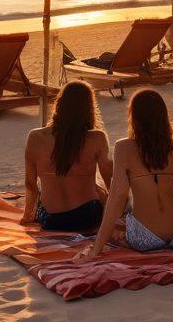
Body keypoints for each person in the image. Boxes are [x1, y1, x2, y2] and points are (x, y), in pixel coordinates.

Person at [75, 89, 173, 262]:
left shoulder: (124, 148)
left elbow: (118, 197)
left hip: (145, 238)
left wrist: (96, 249)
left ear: (134, 117)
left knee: (115, 226)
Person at [22, 81, 112, 233]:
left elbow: (30, 184)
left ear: (59, 104)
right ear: (89, 108)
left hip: (51, 220)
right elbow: (111, 182)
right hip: (88, 216)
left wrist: (27, 216)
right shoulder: (97, 138)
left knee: (97, 188)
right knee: (101, 191)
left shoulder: (35, 137)